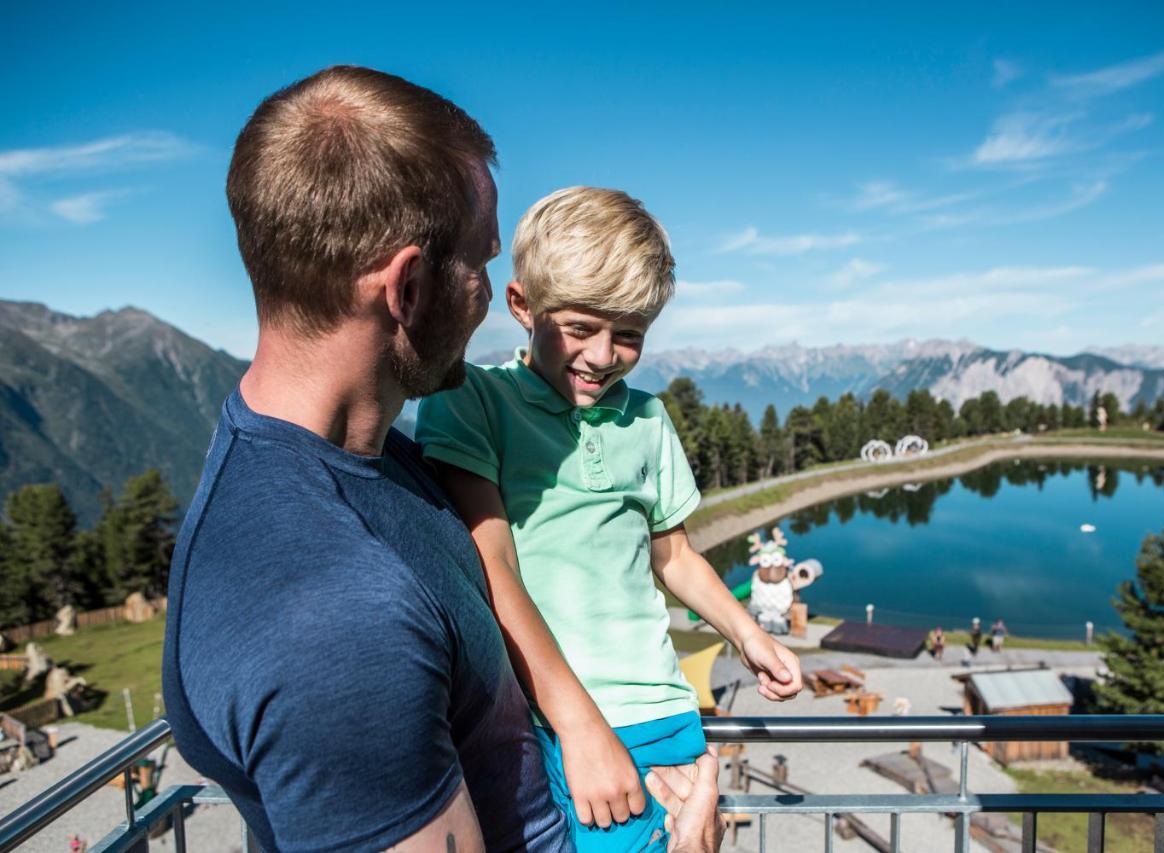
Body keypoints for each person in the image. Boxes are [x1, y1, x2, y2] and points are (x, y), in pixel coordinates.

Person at [161, 66, 723, 853]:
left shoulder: (366, 463)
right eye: (483, 265)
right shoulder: (333, 620)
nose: (494, 296)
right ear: (411, 287)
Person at [417, 186, 802, 850]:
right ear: (520, 305)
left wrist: (747, 633)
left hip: (663, 713)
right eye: (579, 327)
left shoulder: (647, 419)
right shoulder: (474, 399)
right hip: (556, 721)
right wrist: (578, 725)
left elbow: (673, 555)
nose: (602, 355)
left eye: (629, 335)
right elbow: (491, 562)